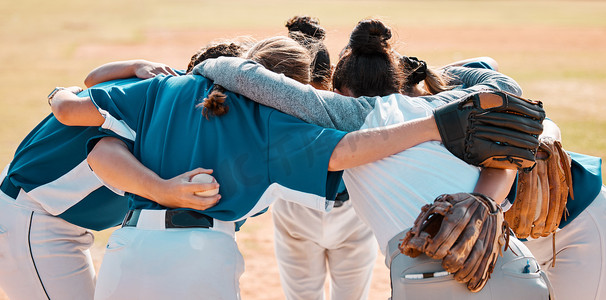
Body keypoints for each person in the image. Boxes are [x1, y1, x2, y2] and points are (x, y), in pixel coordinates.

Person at [50, 35, 458, 300]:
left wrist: (159, 189)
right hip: (202, 256)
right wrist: (431, 125)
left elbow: (86, 132)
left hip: (127, 251)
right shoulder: (271, 123)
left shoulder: (163, 85)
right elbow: (345, 152)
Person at [193, 19, 551, 298]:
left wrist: (206, 67)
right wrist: (433, 70)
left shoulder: (351, 116)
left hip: (432, 280)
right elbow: (503, 83)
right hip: (516, 269)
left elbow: (247, 76)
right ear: (396, 80)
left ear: (339, 89)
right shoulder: (445, 107)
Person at [0, 58, 222, 299]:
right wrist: (162, 190)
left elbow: (92, 80)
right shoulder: (179, 101)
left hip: (49, 216)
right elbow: (102, 150)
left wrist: (134, 66)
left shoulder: (186, 91)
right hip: (31, 217)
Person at [271, 15, 377, 300]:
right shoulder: (350, 105)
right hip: (352, 212)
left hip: (295, 207)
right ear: (330, 72)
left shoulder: (273, 105)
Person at [510, 119, 606, 300]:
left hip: (579, 222)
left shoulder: (455, 101)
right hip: (512, 244)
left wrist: (545, 141)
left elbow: (538, 119)